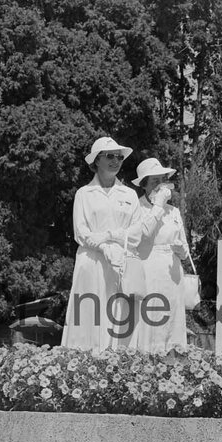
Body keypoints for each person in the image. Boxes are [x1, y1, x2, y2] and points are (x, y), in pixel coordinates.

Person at [62, 136, 144, 350]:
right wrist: (102, 246)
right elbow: (80, 232)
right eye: (109, 156)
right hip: (91, 262)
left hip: (120, 264)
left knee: (119, 314)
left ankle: (118, 363)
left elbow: (136, 234)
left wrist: (108, 236)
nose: (115, 160)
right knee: (88, 311)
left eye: (119, 157)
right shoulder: (83, 194)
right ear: (96, 160)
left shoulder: (130, 194)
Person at [126, 157, 189, 352]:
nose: (159, 186)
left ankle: (174, 359)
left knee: (173, 319)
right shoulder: (137, 208)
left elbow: (185, 251)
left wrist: (180, 249)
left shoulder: (174, 212)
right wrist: (158, 206)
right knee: (151, 317)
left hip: (172, 272)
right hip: (148, 268)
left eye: (161, 180)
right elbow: (143, 235)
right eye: (153, 181)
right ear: (144, 185)